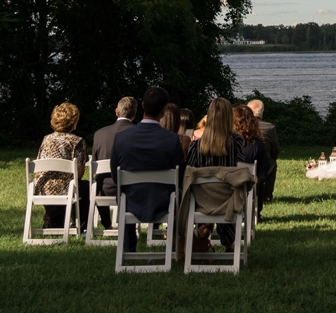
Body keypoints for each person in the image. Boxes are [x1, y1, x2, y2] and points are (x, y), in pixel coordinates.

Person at [107, 88, 185, 244]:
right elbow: (180, 175)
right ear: (164, 110)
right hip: (164, 202)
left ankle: (128, 246)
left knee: (123, 192)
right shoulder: (171, 139)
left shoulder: (122, 138)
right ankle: (177, 243)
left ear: (142, 105)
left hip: (130, 201)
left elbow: (116, 176)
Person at [186, 98, 246, 249]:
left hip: (202, 201)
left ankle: (203, 228)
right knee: (228, 193)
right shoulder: (236, 142)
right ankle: (230, 242)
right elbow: (240, 164)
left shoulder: (195, 146)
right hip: (227, 200)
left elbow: (190, 172)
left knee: (204, 191)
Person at [35, 102, 89, 230]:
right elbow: (79, 173)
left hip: (43, 188)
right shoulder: (77, 141)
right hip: (65, 189)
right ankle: (81, 225)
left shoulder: (46, 139)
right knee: (85, 186)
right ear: (73, 122)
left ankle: (53, 219)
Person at [90, 95, 138, 200]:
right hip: (131, 189)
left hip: (103, 189)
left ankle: (105, 217)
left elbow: (94, 162)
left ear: (116, 112)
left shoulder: (99, 133)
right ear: (134, 113)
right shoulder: (138, 133)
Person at [232, 104, 270, 220]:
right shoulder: (256, 144)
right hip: (247, 187)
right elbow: (263, 172)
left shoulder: (226, 142)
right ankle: (256, 213)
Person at [246, 100, 280, 205]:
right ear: (261, 112)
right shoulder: (269, 127)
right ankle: (267, 195)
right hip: (263, 163)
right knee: (272, 164)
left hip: (245, 161)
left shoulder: (240, 126)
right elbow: (275, 149)